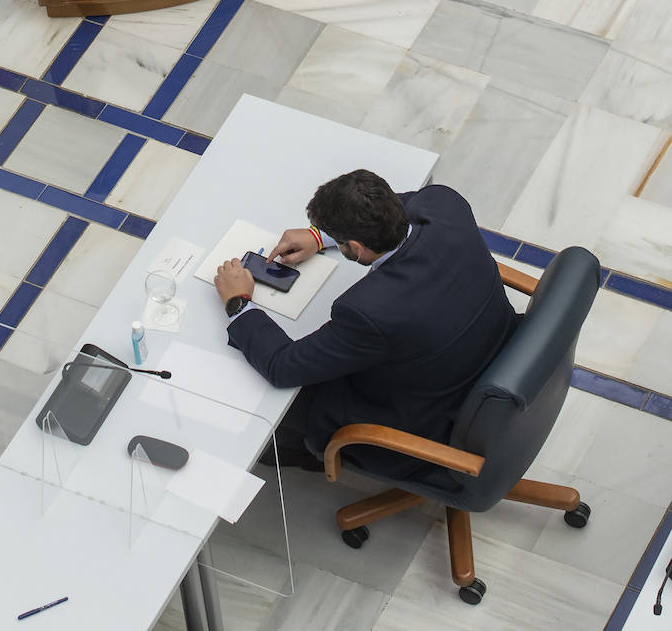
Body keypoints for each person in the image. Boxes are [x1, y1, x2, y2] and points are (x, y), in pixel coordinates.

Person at [213, 171, 517, 475]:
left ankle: (305, 453)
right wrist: (321, 237)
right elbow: (401, 204)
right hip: (495, 349)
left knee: (273, 398)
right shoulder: (444, 203)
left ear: (356, 248)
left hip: (431, 415)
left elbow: (283, 367)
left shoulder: (370, 311)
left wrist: (239, 302)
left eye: (343, 241)